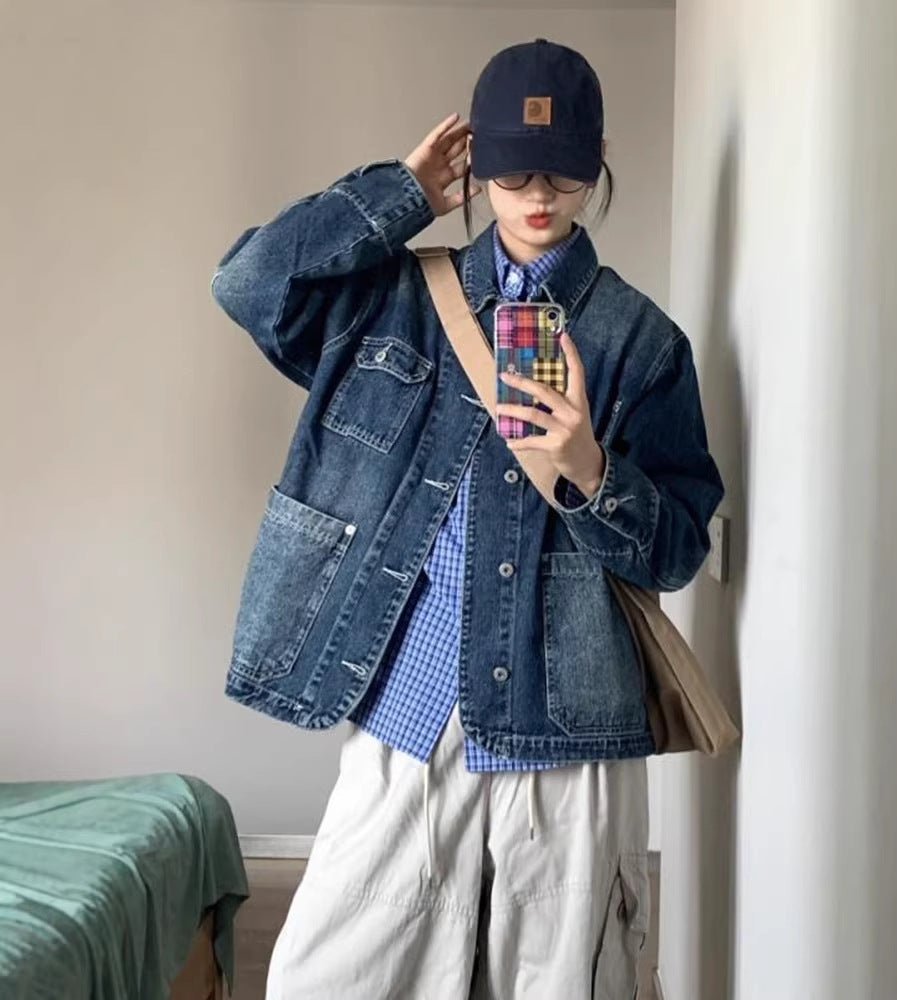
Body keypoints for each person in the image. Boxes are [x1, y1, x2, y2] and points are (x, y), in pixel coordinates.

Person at [211, 37, 723, 1000]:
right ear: (475, 163)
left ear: (599, 160)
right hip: (410, 702)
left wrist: (590, 468)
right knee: (328, 979)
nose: (537, 195)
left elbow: (676, 551)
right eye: (513, 170)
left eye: (563, 170)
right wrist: (398, 196)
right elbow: (247, 284)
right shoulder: (392, 298)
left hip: (565, 717)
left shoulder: (642, 342)